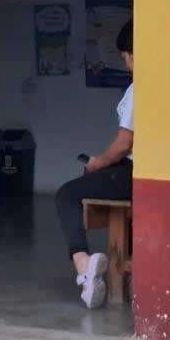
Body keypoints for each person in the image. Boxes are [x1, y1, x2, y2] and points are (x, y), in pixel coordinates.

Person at [54, 20, 133, 309]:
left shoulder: (140, 89)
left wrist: (99, 162)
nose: (125, 63)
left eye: (125, 56)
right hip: (148, 172)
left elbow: (125, 143)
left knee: (67, 194)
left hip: (132, 174)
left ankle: (83, 265)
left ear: (134, 54)